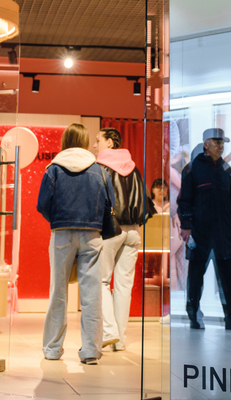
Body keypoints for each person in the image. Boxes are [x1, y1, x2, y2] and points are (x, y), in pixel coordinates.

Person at [37, 123, 113, 364]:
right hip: (92, 235)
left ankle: (52, 348)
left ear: (65, 140)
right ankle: (91, 351)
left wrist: (58, 220)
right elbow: (109, 203)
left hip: (62, 233)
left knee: (58, 292)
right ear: (84, 141)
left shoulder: (54, 169)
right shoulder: (99, 170)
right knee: (92, 295)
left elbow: (42, 204)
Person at [177, 128, 231, 330]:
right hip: (199, 233)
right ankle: (194, 316)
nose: (221, 146)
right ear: (206, 144)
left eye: (222, 143)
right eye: (217, 142)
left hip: (223, 232)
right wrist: (186, 226)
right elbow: (184, 200)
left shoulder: (225, 169)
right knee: (196, 277)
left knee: (228, 277)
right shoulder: (192, 169)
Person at [93, 128, 150, 351]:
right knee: (124, 286)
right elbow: (145, 202)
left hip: (111, 230)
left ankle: (110, 332)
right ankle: (120, 341)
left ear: (109, 142)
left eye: (98, 140)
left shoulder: (100, 167)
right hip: (133, 231)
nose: (94, 145)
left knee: (101, 281)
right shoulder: (133, 167)